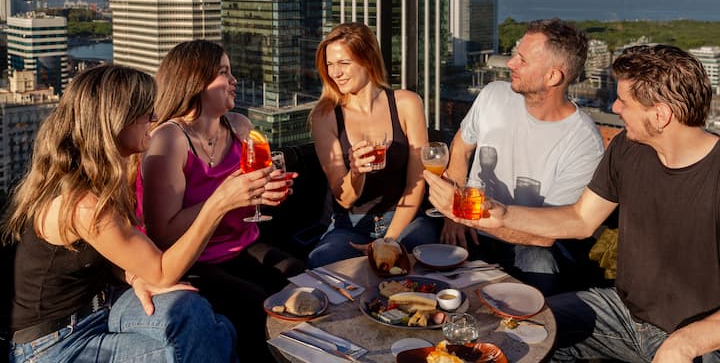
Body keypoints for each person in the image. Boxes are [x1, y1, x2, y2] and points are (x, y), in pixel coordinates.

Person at [428, 44, 720, 362]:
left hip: (699, 336)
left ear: (660, 115)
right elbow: (581, 219)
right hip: (622, 313)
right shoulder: (627, 148)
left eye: (624, 101)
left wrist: (686, 343)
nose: (615, 107)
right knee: (510, 337)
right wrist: (502, 215)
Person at [1, 64, 273, 362]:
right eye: (145, 113)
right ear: (115, 121)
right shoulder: (83, 203)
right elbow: (162, 272)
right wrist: (219, 203)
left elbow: (103, 255)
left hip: (103, 303)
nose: (155, 119)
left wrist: (132, 275)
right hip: (54, 343)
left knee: (193, 311)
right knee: (199, 340)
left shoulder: (100, 177)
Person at [139, 40, 304, 360]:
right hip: (194, 260)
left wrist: (265, 191)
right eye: (224, 73)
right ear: (195, 82)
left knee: (300, 277)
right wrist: (223, 199)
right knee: (258, 306)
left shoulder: (240, 126)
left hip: (243, 245)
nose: (234, 80)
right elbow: (163, 234)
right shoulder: (169, 140)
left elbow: (249, 193)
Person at [425, 18, 605, 295]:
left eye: (522, 60)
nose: (510, 64)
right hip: (468, 225)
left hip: (527, 242)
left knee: (539, 262)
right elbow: (460, 149)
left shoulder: (583, 141)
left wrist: (469, 218)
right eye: (514, 55)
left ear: (553, 77)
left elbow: (545, 236)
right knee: (413, 239)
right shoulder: (493, 95)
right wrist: (454, 216)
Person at [307, 22, 437, 268]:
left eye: (344, 63)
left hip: (404, 219)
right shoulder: (324, 116)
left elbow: (416, 182)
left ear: (367, 60)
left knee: (421, 251)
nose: (335, 73)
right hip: (352, 226)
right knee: (322, 260)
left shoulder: (407, 103)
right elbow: (344, 199)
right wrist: (356, 173)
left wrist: (388, 241)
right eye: (330, 64)